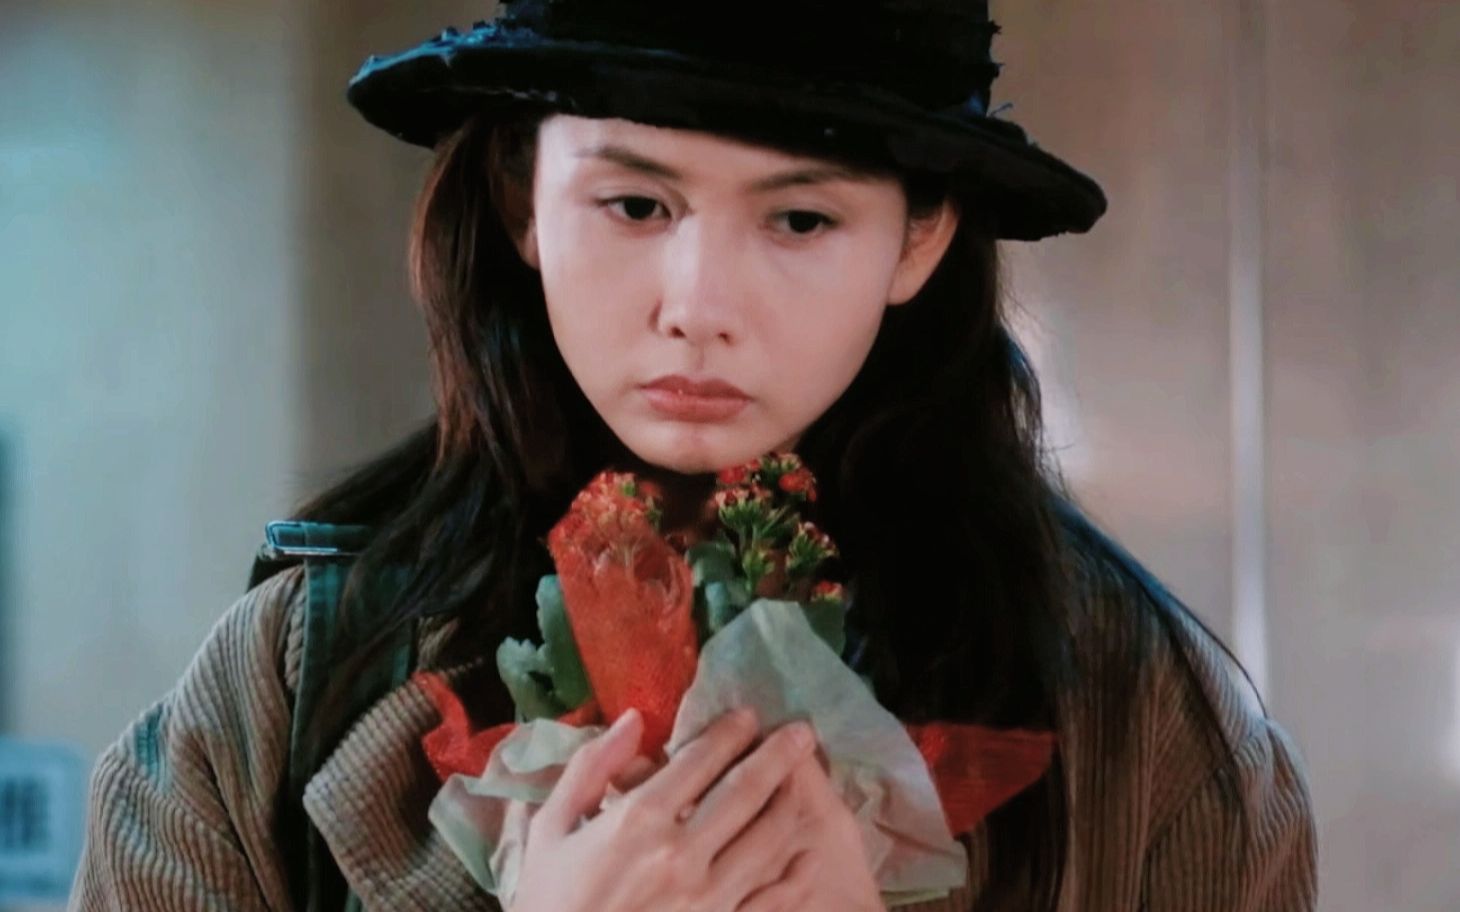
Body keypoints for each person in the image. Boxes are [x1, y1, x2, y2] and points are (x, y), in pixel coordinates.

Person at [68, 1, 1318, 910]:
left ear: (919, 238)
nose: (698, 305)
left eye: (800, 218)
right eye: (635, 204)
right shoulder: (277, 696)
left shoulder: (1148, 725)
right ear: (520, 197)